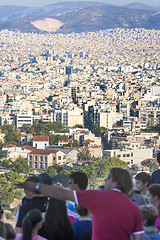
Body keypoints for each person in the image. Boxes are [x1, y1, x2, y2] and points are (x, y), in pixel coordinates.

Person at [21, 167, 144, 240]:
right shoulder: (134, 208)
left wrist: (36, 186)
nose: (105, 180)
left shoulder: (98, 197)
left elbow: (62, 194)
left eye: (108, 177)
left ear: (115, 182)